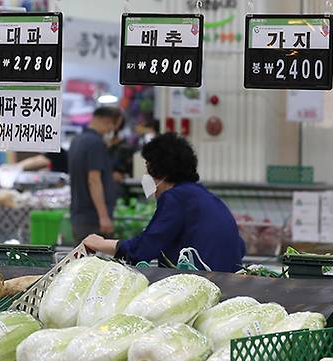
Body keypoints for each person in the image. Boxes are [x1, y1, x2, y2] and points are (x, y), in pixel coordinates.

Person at [83, 133, 245, 272]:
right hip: (225, 282)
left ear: (160, 170)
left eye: (148, 168)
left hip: (203, 283)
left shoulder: (175, 198)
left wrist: (101, 243)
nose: (146, 175)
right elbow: (240, 247)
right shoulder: (203, 196)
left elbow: (144, 249)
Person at [69, 106, 123, 244]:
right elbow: (94, 180)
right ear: (107, 121)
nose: (112, 130)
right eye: (114, 126)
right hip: (93, 218)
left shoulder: (77, 140)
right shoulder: (95, 144)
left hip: (79, 215)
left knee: (82, 262)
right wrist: (103, 216)